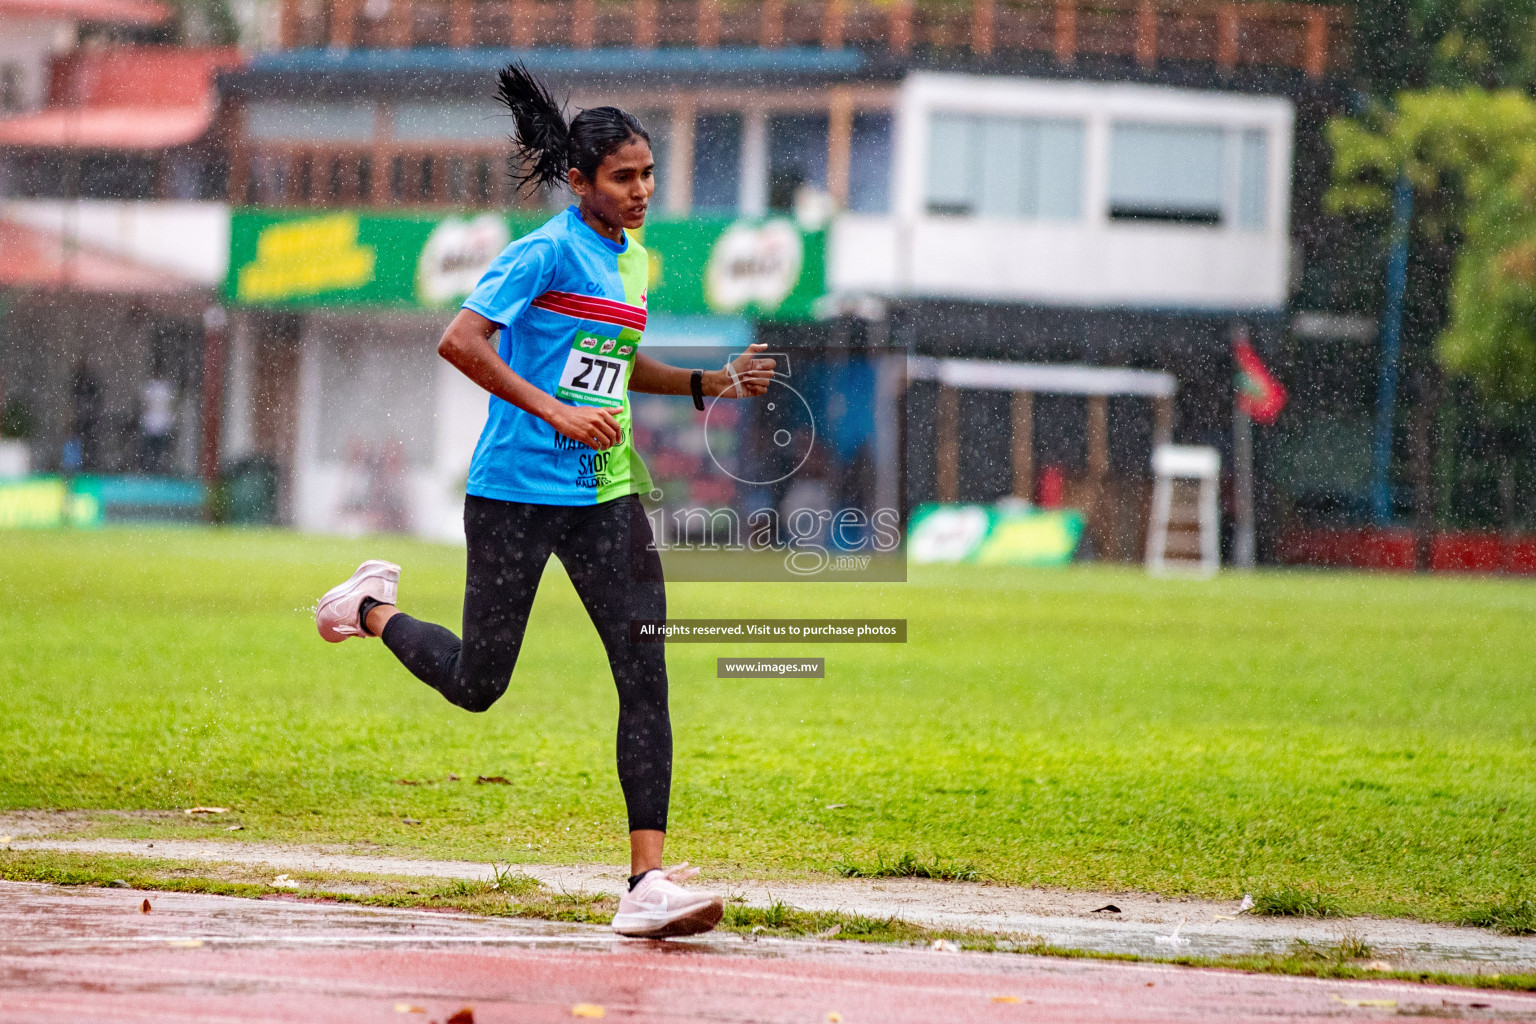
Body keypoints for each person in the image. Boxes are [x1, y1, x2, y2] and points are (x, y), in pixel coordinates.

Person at [314, 63, 774, 939]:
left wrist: (707, 382)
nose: (640, 193)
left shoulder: (632, 262)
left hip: (605, 493)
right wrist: (557, 409)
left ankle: (646, 883)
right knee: (479, 685)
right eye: (623, 178)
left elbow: (618, 357)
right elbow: (462, 341)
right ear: (580, 181)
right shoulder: (544, 252)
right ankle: (366, 608)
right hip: (514, 494)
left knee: (645, 673)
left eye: (647, 176)